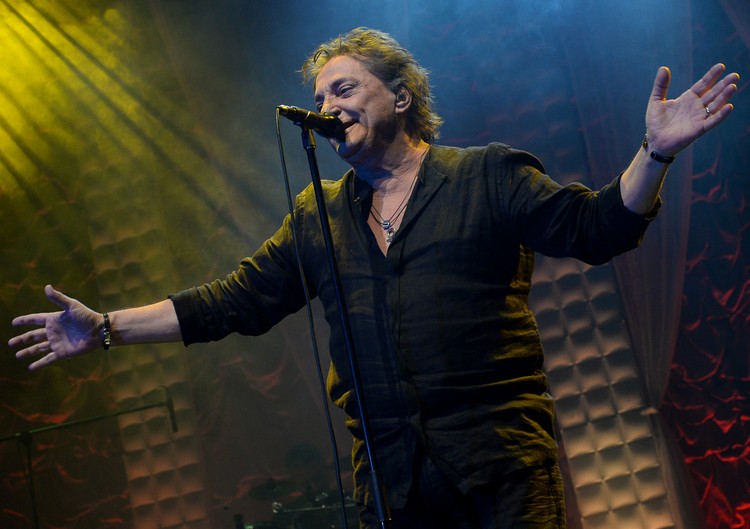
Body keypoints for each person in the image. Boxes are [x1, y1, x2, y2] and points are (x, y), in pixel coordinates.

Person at [8, 27, 739, 529]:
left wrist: (654, 153)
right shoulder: (318, 217)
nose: (328, 107)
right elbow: (232, 302)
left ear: (401, 96)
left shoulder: (485, 175)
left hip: (502, 471)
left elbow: (598, 227)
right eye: (321, 97)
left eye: (344, 88)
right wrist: (106, 327)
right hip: (395, 486)